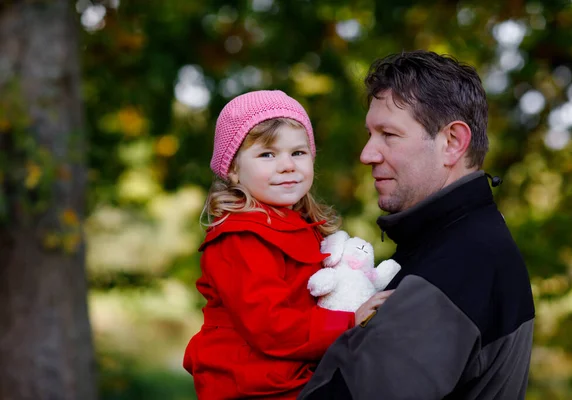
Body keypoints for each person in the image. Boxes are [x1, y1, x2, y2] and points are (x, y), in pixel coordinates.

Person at [298, 50, 535, 399]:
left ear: (452, 142)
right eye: (370, 133)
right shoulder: (456, 243)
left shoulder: (461, 262)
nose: (367, 154)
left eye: (389, 135)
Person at [183, 90, 392, 399]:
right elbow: (271, 326)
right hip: (251, 382)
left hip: (292, 369)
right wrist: (351, 319)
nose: (287, 165)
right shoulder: (241, 237)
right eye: (267, 154)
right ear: (233, 170)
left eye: (298, 153)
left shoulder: (299, 225)